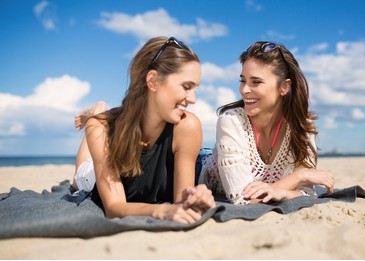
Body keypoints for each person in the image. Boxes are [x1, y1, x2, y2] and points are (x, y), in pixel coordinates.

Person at [72, 36, 215, 224]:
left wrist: (194, 198)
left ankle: (98, 113)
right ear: (153, 81)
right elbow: (114, 208)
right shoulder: (101, 129)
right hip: (94, 176)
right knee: (79, 176)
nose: (193, 99)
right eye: (186, 87)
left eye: (195, 89)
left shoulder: (187, 127)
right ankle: (97, 112)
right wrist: (162, 211)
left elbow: (181, 203)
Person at [198, 41, 334, 205]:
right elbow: (243, 200)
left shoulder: (301, 128)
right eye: (243, 80)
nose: (244, 90)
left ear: (284, 87)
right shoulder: (231, 121)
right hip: (196, 165)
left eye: (256, 82)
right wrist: (299, 176)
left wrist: (280, 191)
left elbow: (307, 193)